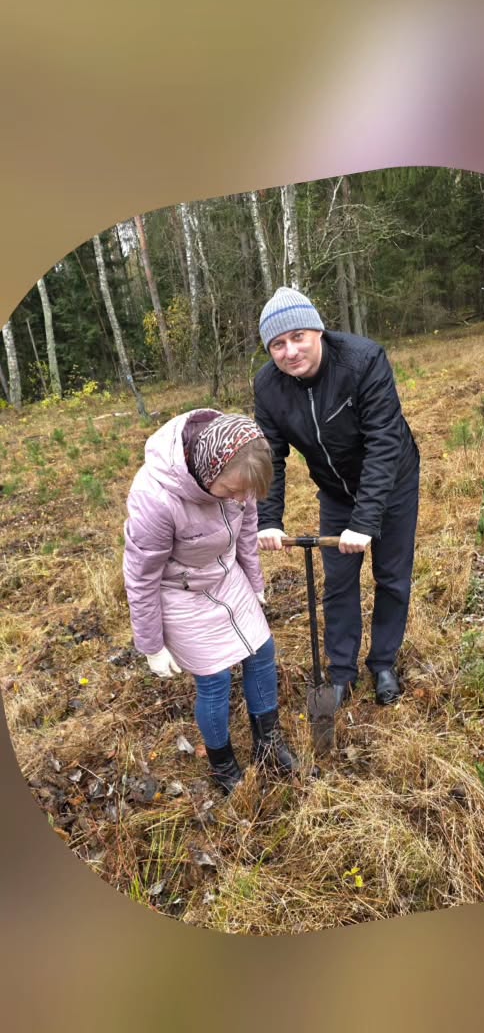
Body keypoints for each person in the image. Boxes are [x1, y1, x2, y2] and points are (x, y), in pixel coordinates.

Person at [253, 287, 421, 709]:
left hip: (394, 479)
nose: (290, 352)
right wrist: (269, 519)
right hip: (335, 489)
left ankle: (383, 662)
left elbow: (383, 442)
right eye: (278, 344)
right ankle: (341, 672)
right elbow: (270, 454)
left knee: (392, 576)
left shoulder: (363, 361)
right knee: (339, 584)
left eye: (298, 337)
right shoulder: (268, 387)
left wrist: (365, 523)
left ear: (319, 332)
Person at [124, 411, 296, 795]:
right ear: (207, 469)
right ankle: (223, 765)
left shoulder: (241, 477)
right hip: (178, 591)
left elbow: (248, 532)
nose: (240, 498)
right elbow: (141, 576)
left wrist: (254, 583)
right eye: (231, 490)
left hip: (225, 576)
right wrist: (151, 644)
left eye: (246, 492)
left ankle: (269, 744)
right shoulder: (156, 497)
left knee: (261, 652)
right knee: (215, 679)